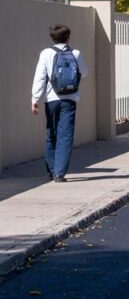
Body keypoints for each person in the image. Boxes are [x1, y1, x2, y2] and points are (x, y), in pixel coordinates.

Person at [31, 24, 88, 183]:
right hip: (69, 99)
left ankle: (51, 169)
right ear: (68, 37)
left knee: (52, 133)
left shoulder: (46, 53)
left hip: (51, 100)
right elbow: (85, 73)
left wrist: (35, 99)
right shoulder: (75, 53)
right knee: (65, 135)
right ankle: (59, 173)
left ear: (52, 38)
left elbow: (40, 77)